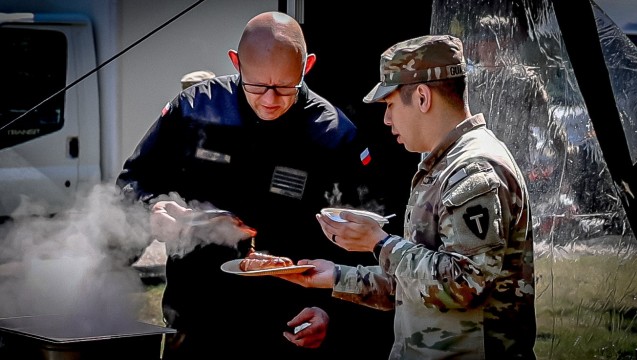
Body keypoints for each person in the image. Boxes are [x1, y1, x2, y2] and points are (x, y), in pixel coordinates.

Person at [116, 11, 394, 360]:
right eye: (257, 85)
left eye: (285, 87)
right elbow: (131, 185)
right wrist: (152, 210)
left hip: (289, 323)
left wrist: (333, 314)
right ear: (236, 63)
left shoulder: (334, 136)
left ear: (307, 66)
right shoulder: (193, 109)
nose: (270, 99)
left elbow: (370, 239)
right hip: (197, 318)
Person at [273, 34, 537, 359]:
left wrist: (380, 243)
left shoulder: (473, 170)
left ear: (423, 97)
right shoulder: (447, 164)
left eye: (391, 104)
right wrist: (336, 277)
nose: (386, 119)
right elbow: (420, 283)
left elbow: (464, 283)